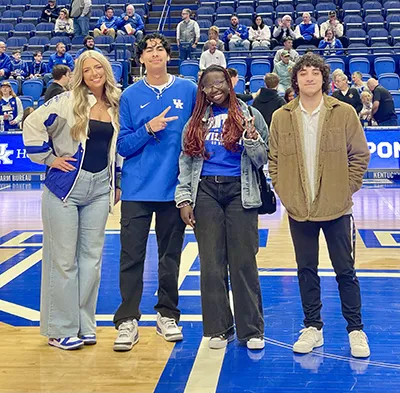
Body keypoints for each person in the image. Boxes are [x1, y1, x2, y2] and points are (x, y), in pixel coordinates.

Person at [268, 53, 371, 359]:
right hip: (300, 209)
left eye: (315, 73)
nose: (309, 77)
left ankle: (356, 330)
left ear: (324, 79)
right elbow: (274, 161)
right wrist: (284, 190)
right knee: (306, 270)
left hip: (337, 208)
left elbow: (360, 155)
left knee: (345, 271)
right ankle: (313, 326)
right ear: (295, 79)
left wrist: (346, 188)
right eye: (303, 73)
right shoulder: (281, 116)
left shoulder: (344, 112)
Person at [23, 51, 121, 350]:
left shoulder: (116, 103)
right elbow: (32, 124)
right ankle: (59, 329)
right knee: (63, 261)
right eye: (87, 69)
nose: (94, 73)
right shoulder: (67, 101)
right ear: (80, 74)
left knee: (91, 261)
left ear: (106, 70)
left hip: (100, 188)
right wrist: (50, 158)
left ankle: (84, 325)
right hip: (64, 189)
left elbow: (117, 148)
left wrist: (117, 181)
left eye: (98, 67)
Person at [112, 33, 197, 352]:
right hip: (137, 188)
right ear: (141, 59)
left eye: (160, 48)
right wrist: (149, 129)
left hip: (174, 189)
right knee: (131, 256)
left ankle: (167, 314)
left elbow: (197, 135)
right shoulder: (130, 95)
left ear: (168, 56)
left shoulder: (187, 89)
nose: (156, 53)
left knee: (169, 256)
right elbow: (122, 145)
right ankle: (127, 320)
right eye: (149, 50)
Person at [175, 64, 267, 350]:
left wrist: (251, 139)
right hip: (205, 192)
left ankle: (251, 330)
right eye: (208, 86)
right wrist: (184, 198)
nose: (215, 90)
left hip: (241, 191)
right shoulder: (196, 120)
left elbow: (263, 159)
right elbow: (187, 160)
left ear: (229, 83)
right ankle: (218, 329)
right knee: (211, 265)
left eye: (220, 83)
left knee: (243, 262)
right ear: (202, 90)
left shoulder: (250, 114)